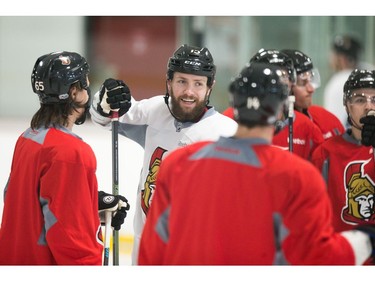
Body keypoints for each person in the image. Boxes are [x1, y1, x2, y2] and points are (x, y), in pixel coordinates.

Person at [138, 62, 375, 265]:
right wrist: (365, 240)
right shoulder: (297, 175)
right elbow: (318, 258)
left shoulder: (178, 163)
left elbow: (151, 254)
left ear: (235, 105)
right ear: (281, 108)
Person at [89, 44, 238, 264]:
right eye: (181, 81)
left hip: (195, 255)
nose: (189, 92)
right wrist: (104, 99)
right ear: (168, 82)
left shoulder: (226, 132)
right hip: (145, 251)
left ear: (210, 87)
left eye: (198, 83)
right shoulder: (157, 111)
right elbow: (106, 118)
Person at [0, 51, 129, 265]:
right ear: (73, 92)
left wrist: (88, 204)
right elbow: (71, 241)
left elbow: (25, 203)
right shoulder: (71, 153)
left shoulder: (29, 138)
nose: (88, 90)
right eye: (85, 84)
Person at [311, 69, 375, 264]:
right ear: (346, 105)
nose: (368, 107)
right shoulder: (326, 153)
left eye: (374, 99)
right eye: (359, 100)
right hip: (342, 262)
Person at [223, 49, 324, 160]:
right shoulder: (227, 120)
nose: (275, 83)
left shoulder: (307, 127)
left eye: (282, 77)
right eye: (267, 79)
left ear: (292, 83)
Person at [281, 49, 345, 140]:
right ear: (285, 87)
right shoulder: (270, 130)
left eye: (311, 80)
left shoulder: (326, 119)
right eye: (303, 83)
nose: (311, 89)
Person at [323, 35, 374, 127]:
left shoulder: (338, 82)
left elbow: (332, 125)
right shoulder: (370, 72)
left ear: (342, 59)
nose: (331, 58)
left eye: (335, 55)